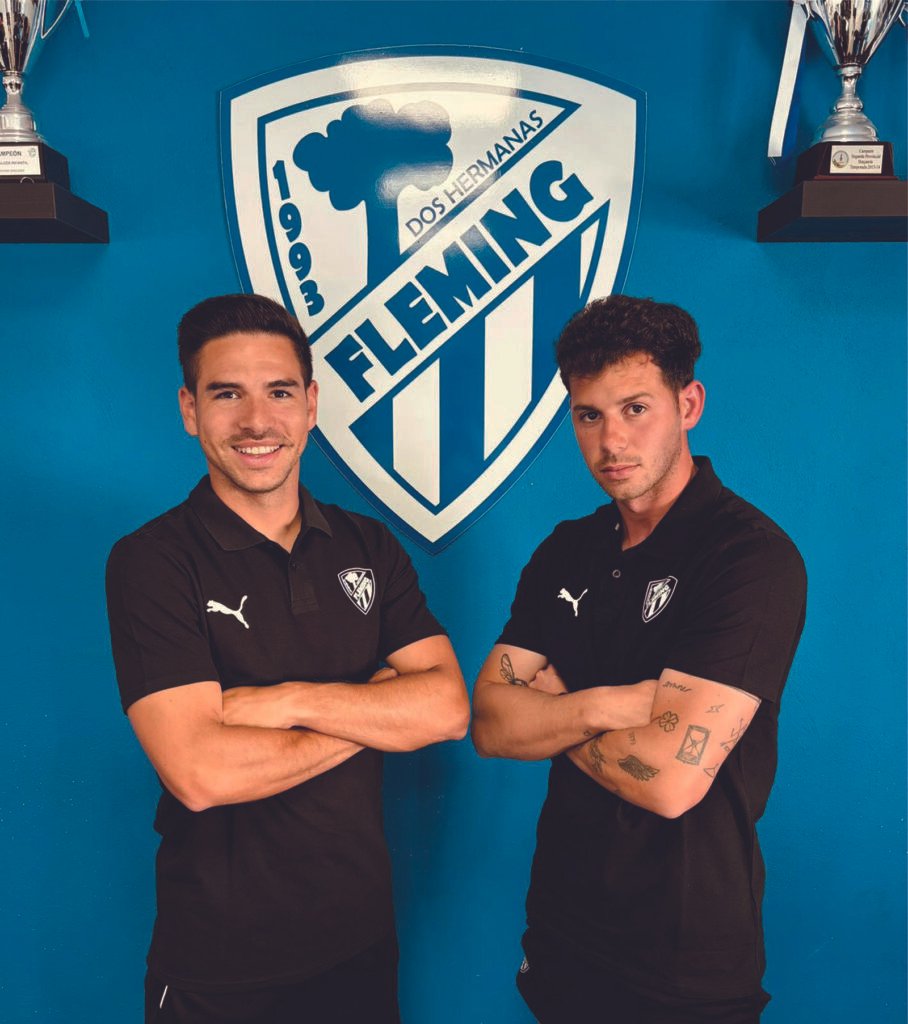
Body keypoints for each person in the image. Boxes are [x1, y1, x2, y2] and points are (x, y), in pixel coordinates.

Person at [106, 293, 469, 1024]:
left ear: (310, 405)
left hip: (360, 949)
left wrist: (286, 701)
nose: (255, 421)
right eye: (226, 394)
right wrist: (372, 707)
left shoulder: (368, 545)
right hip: (220, 968)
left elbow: (449, 710)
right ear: (189, 410)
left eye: (278, 392)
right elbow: (201, 774)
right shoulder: (153, 561)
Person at [471, 295, 806, 1024]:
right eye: (588, 416)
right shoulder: (568, 549)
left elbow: (671, 782)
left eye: (635, 409)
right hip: (562, 932)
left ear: (689, 404)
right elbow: (490, 724)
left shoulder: (749, 558)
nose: (611, 441)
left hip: (683, 959)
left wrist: (553, 712)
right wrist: (605, 705)